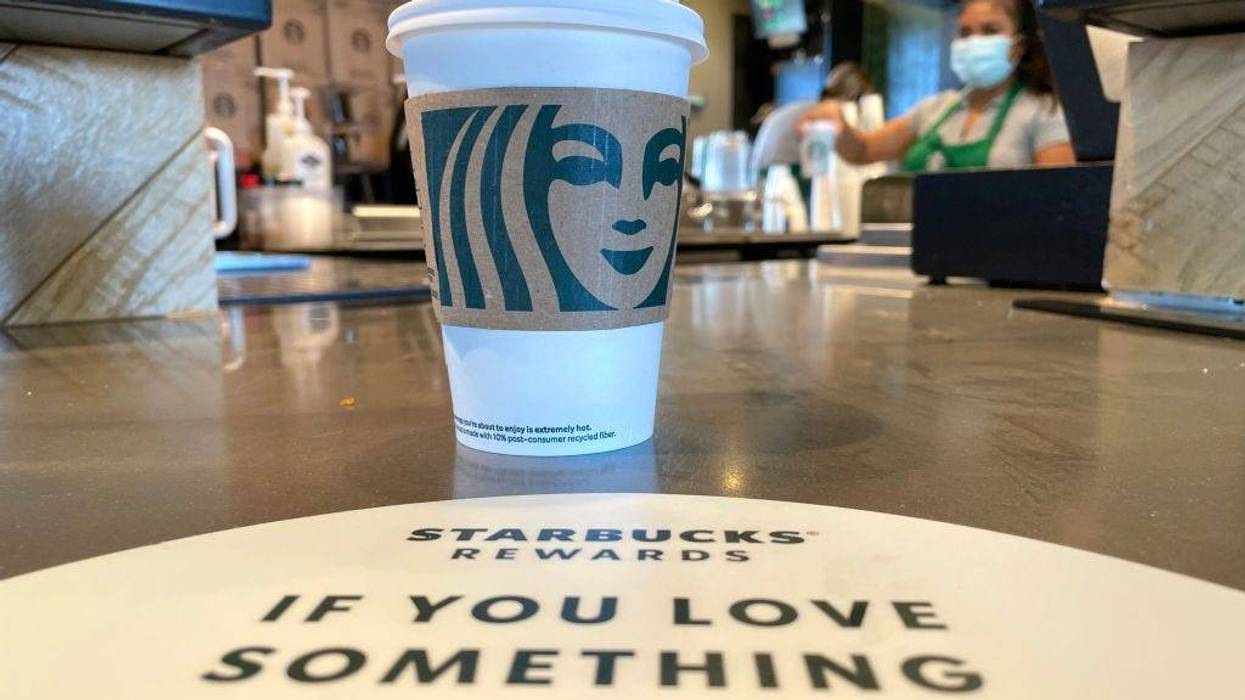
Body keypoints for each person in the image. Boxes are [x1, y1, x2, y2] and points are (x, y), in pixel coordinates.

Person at [799, 0, 1075, 171]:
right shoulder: (935, 110)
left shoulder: (1043, 112)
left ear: (1018, 46)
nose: (974, 42)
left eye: (990, 30)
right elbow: (863, 150)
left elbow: (1059, 203)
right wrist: (838, 123)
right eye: (965, 32)